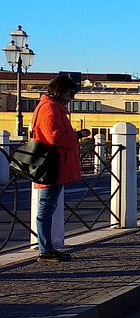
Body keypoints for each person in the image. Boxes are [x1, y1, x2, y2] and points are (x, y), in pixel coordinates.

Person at [32, 74, 90, 262]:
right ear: (61, 91)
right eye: (71, 93)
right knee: (46, 208)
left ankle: (47, 248)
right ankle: (45, 249)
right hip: (52, 166)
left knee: (48, 207)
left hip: (53, 164)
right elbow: (54, 137)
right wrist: (77, 135)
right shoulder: (49, 108)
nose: (72, 97)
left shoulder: (51, 107)